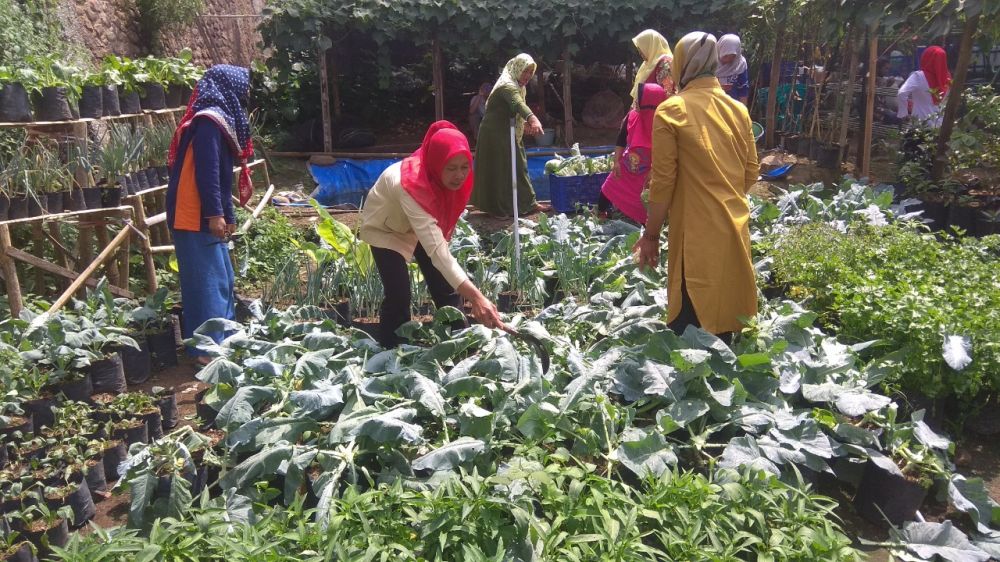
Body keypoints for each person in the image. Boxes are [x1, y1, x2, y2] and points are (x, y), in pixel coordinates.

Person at [634, 32, 760, 344]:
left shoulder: (672, 110)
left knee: (691, 338)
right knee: (724, 326)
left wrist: (651, 236)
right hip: (734, 227)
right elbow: (751, 173)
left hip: (695, 234)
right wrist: (722, 195)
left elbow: (663, 183)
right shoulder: (738, 111)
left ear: (682, 64)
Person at [360, 121, 508, 347]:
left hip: (417, 225)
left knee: (444, 285)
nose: (459, 175)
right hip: (385, 228)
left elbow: (436, 236)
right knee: (399, 293)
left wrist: (473, 297)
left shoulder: (442, 180)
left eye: (464, 166)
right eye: (451, 168)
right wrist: (477, 297)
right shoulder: (410, 186)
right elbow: (438, 251)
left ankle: (461, 342)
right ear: (437, 164)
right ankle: (391, 350)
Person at [165, 64, 254, 364]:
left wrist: (228, 216)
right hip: (193, 215)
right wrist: (215, 214)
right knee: (206, 284)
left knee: (221, 279)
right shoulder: (207, 122)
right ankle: (206, 351)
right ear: (229, 88)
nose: (246, 94)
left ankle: (223, 341)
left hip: (203, 214)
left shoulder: (217, 121)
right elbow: (207, 173)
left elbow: (221, 175)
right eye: (243, 87)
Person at [470, 54, 544, 217]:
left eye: (530, 72)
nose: (527, 76)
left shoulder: (519, 86)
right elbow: (516, 103)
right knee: (499, 169)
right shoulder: (507, 85)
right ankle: (497, 209)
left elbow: (514, 108)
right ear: (517, 68)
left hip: (510, 129)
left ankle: (528, 204)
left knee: (520, 164)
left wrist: (523, 123)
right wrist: (532, 119)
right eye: (525, 71)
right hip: (494, 133)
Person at [597, 83, 667, 224]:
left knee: (642, 202)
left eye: (639, 100)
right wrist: (616, 162)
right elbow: (621, 140)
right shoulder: (632, 117)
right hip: (627, 167)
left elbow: (666, 153)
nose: (636, 103)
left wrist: (654, 172)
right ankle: (601, 214)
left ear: (648, 103)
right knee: (608, 188)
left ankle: (645, 227)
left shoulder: (664, 124)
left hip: (647, 173)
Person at [897, 45, 951, 128]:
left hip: (920, 124)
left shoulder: (918, 76)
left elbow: (901, 93)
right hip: (940, 126)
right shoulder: (948, 78)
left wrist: (903, 113)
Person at [629, 29, 675, 106]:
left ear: (650, 46)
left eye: (641, 49)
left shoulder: (665, 63)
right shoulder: (649, 63)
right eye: (639, 49)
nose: (640, 53)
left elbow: (667, 93)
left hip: (658, 110)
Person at [716, 33, 750, 104]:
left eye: (733, 56)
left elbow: (743, 90)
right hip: (713, 105)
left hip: (733, 106)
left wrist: (743, 109)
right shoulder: (710, 63)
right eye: (725, 56)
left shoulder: (740, 64)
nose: (728, 60)